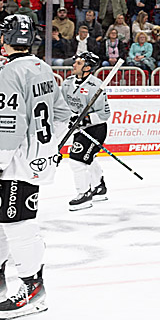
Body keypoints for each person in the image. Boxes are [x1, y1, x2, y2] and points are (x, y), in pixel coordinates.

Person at [0, 15, 71, 318]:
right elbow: (62, 114)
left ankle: (34, 289)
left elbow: (9, 125)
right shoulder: (43, 68)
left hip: (15, 163)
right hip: (31, 158)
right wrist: (48, 147)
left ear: (4, 40)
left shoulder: (6, 74)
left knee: (17, 224)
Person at [60, 52, 111, 211]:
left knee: (76, 160)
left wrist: (84, 120)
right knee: (86, 158)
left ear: (88, 68)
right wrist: (69, 117)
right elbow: (63, 105)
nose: (74, 65)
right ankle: (99, 187)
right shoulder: (67, 83)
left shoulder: (96, 86)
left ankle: (84, 194)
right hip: (79, 129)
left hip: (95, 129)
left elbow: (104, 114)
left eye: (79, 63)